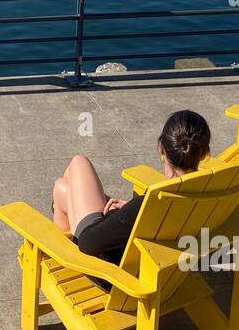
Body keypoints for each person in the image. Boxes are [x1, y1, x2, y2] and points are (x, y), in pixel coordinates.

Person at [52, 110, 213, 266]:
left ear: (161, 149)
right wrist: (126, 211)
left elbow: (87, 243)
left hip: (117, 274)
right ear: (205, 154)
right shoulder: (210, 193)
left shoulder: (150, 203)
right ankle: (59, 208)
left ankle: (61, 251)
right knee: (62, 187)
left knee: (77, 164)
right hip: (156, 268)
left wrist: (119, 215)